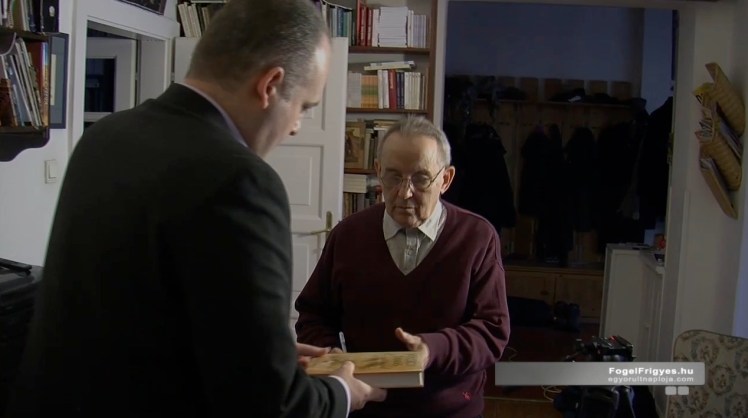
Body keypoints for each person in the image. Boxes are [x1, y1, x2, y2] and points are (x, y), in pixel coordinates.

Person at [5, 1, 385, 417]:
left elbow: (133, 315)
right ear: (271, 85)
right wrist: (341, 392)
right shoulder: (239, 180)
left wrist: (262, 352)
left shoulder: (106, 136)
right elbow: (270, 405)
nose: (296, 126)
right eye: (304, 107)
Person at [295, 116, 511, 418]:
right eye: (393, 177)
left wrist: (433, 349)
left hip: (450, 409)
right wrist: (330, 355)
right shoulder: (348, 234)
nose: (404, 192)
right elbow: (313, 314)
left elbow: (492, 331)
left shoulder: (477, 237)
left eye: (421, 179)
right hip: (364, 405)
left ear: (446, 180)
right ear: (378, 172)